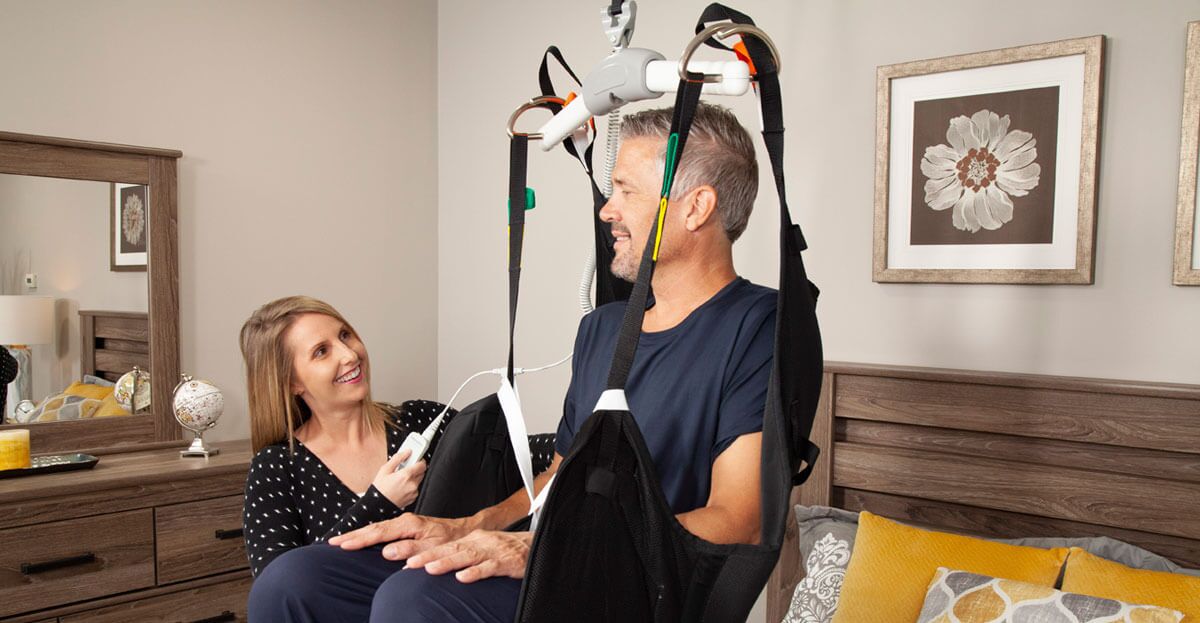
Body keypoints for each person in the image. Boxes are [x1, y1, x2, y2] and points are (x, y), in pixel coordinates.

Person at [247, 103, 774, 622]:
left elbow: (738, 521)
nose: (607, 210)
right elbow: (563, 472)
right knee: (292, 582)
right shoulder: (603, 329)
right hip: (556, 554)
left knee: (413, 600)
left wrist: (552, 548)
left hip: (634, 584)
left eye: (626, 191)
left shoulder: (757, 326)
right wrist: (474, 524)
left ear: (696, 207)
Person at [239, 295, 434, 578]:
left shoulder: (424, 420)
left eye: (345, 335)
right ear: (292, 382)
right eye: (321, 351)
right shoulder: (276, 467)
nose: (350, 355)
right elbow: (278, 586)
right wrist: (377, 504)